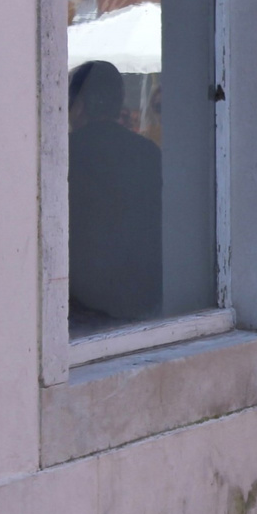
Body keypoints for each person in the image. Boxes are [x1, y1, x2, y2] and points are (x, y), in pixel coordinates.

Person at [68, 61, 163, 323]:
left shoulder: (65, 156)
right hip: (144, 300)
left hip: (83, 305)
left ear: (78, 106)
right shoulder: (148, 153)